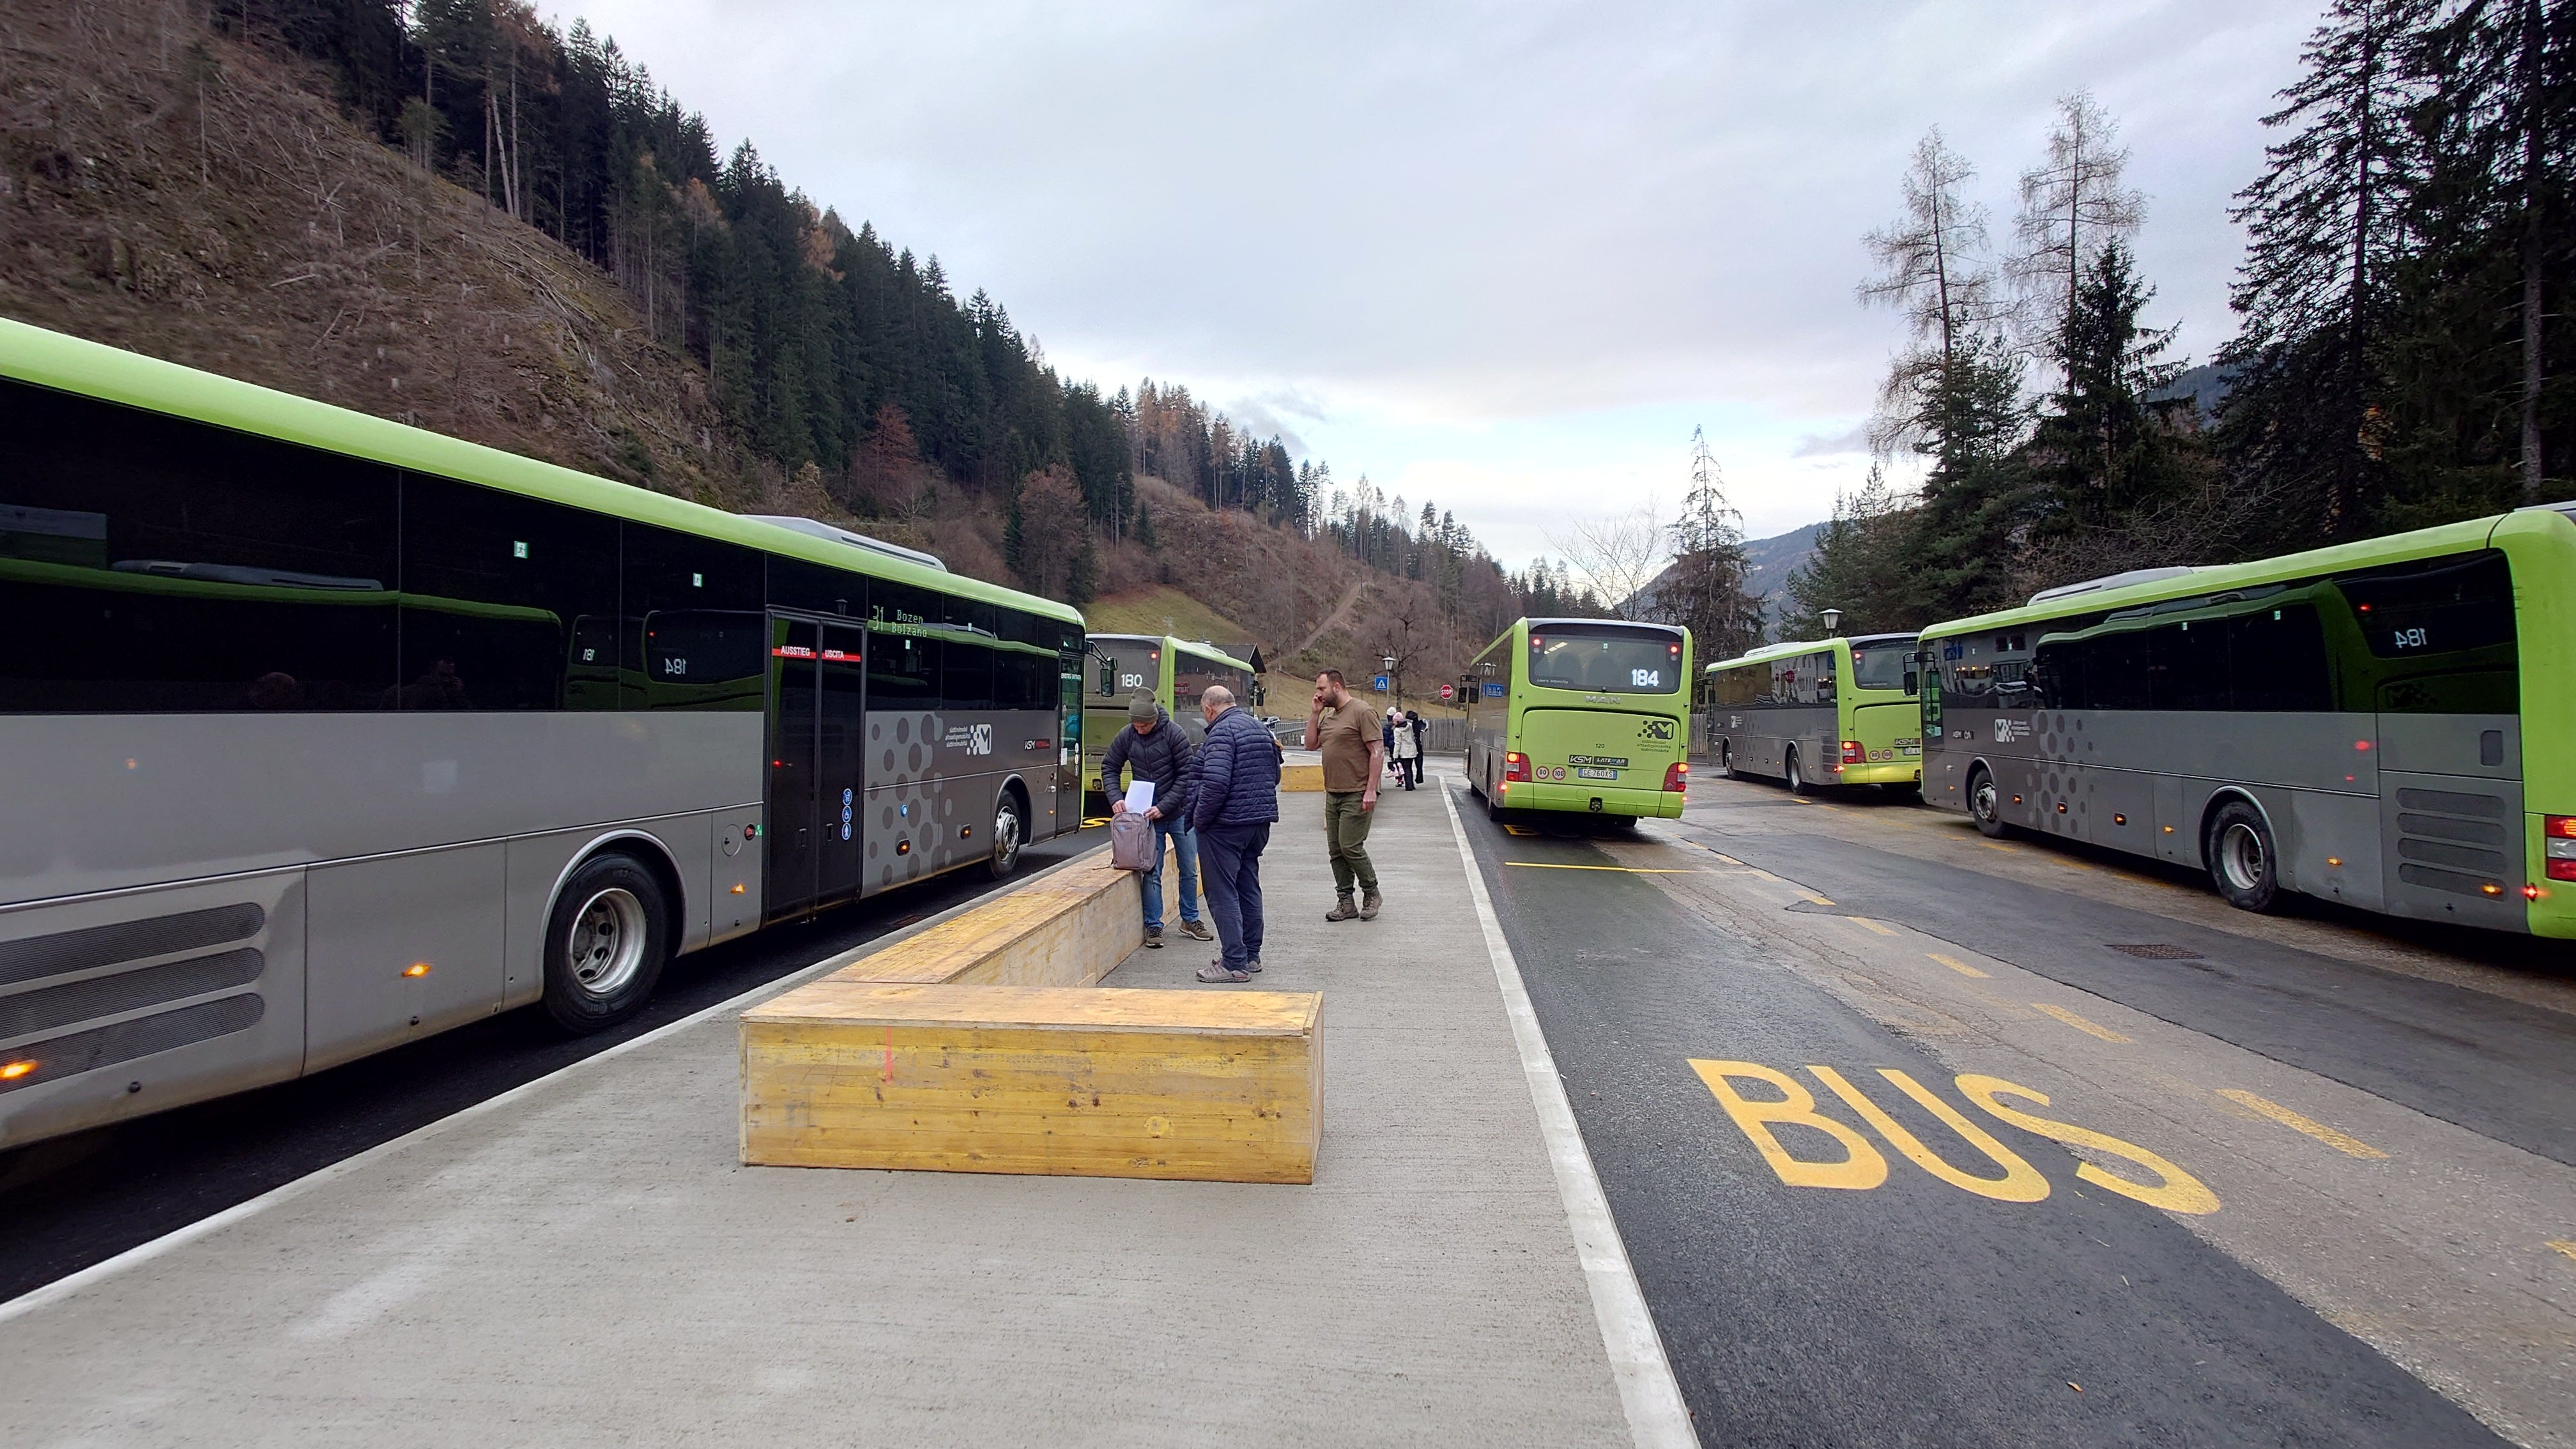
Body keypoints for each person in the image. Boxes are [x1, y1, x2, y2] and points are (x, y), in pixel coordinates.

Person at [1103, 693, 1210, 950]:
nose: (1140, 730)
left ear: (1154, 720)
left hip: (1178, 812)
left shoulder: (1174, 734)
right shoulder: (1127, 735)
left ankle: (1190, 919)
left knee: (1189, 867)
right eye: (1136, 726)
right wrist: (1116, 797)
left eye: (1144, 726)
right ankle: (1153, 925)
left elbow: (1187, 775)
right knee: (1151, 869)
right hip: (1146, 816)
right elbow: (1110, 767)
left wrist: (1164, 806)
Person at [1190, 685, 1281, 983]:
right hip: (1258, 824)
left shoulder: (1220, 734)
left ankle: (1233, 963)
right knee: (1247, 886)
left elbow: (1215, 784)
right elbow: (1275, 775)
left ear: (1209, 709)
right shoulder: (1260, 730)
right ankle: (1251, 955)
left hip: (1225, 826)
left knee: (1222, 892)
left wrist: (1200, 820)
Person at [1304, 669, 1383, 922]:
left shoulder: (1362, 712)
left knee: (1351, 847)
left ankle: (1371, 892)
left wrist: (1371, 789)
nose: (1318, 694)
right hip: (1333, 793)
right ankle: (1346, 902)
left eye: (1321, 689)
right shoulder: (1328, 718)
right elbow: (1310, 744)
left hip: (1357, 792)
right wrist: (1315, 714)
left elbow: (1377, 752)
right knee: (1337, 851)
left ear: (1336, 687)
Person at [1392, 707, 1422, 790]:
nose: (1393, 722)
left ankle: (1409, 786)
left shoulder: (1397, 730)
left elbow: (1398, 743)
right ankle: (1412, 784)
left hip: (1404, 751)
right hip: (1412, 750)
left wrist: (1395, 755)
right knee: (1410, 768)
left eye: (1394, 721)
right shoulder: (1410, 726)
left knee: (1406, 769)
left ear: (1397, 721)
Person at [1405, 709, 1429, 787]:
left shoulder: (1405, 725)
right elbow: (1424, 728)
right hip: (1418, 745)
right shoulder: (1418, 725)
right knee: (1419, 763)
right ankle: (1419, 778)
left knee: (1408, 766)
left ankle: (1410, 784)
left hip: (1408, 746)